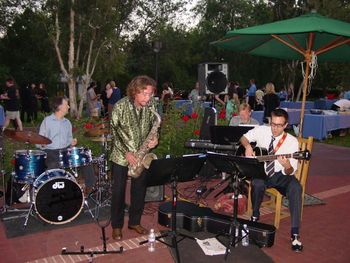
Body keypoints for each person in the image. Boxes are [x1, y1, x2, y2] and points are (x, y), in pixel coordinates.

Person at [239, 108, 303, 252]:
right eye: (273, 124)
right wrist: (248, 146)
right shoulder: (262, 130)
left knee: (296, 188)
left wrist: (286, 165)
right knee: (257, 183)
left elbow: (290, 171)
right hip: (261, 173)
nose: (275, 128)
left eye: (279, 125)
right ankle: (255, 217)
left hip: (281, 176)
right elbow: (243, 137)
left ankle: (295, 233)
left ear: (285, 125)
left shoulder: (292, 142)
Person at [109, 75, 159, 240]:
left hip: (142, 155)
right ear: (134, 92)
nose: (148, 98)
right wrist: (126, 152)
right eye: (144, 94)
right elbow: (114, 132)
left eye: (150, 94)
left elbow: (154, 126)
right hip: (121, 155)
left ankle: (134, 222)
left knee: (140, 190)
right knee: (118, 192)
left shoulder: (150, 106)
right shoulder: (120, 106)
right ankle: (116, 226)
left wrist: (155, 139)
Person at [38, 96, 96, 193]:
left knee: (85, 159)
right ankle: (52, 192)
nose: (68, 107)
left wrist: (72, 142)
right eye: (66, 104)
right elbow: (38, 140)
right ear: (59, 107)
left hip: (65, 151)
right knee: (53, 164)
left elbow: (69, 140)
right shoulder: (47, 121)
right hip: (51, 151)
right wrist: (42, 145)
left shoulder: (67, 123)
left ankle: (90, 188)